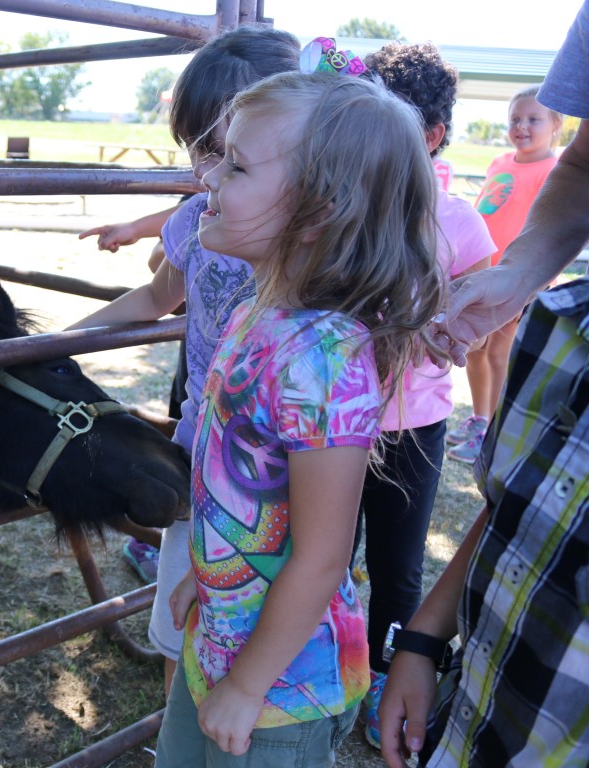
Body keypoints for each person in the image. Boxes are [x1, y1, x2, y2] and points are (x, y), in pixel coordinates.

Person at [155, 68, 445, 766]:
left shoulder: (323, 359)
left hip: (280, 690)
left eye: (237, 165)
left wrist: (247, 686)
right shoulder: (256, 315)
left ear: (317, 213)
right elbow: (244, 492)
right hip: (220, 639)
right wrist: (210, 571)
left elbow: (321, 557)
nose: (210, 177)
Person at [379, 3, 589, 765]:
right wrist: (425, 641)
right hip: (492, 702)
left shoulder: (455, 220)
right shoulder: (567, 335)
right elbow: (521, 509)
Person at [65, 24, 301, 691]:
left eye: (228, 153)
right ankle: (175, 723)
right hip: (200, 450)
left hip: (286, 467)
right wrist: (55, 344)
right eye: (199, 148)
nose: (207, 171)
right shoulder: (195, 221)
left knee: (269, 619)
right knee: (183, 617)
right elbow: (155, 295)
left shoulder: (318, 244)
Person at [352, 41, 496, 750]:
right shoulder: (341, 200)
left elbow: (490, 302)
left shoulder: (458, 220)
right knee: (322, 550)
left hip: (413, 425)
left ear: (433, 134)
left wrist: (449, 330)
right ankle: (321, 664)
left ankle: (386, 677)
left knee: (397, 565)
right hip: (334, 421)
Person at [445, 85, 564, 464]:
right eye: (515, 119)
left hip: (517, 283)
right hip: (484, 274)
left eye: (533, 119)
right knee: (474, 350)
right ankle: (480, 419)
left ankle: (492, 434)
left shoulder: (554, 171)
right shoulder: (499, 162)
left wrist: (533, 284)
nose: (521, 126)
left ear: (556, 125)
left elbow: (554, 232)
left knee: (498, 354)